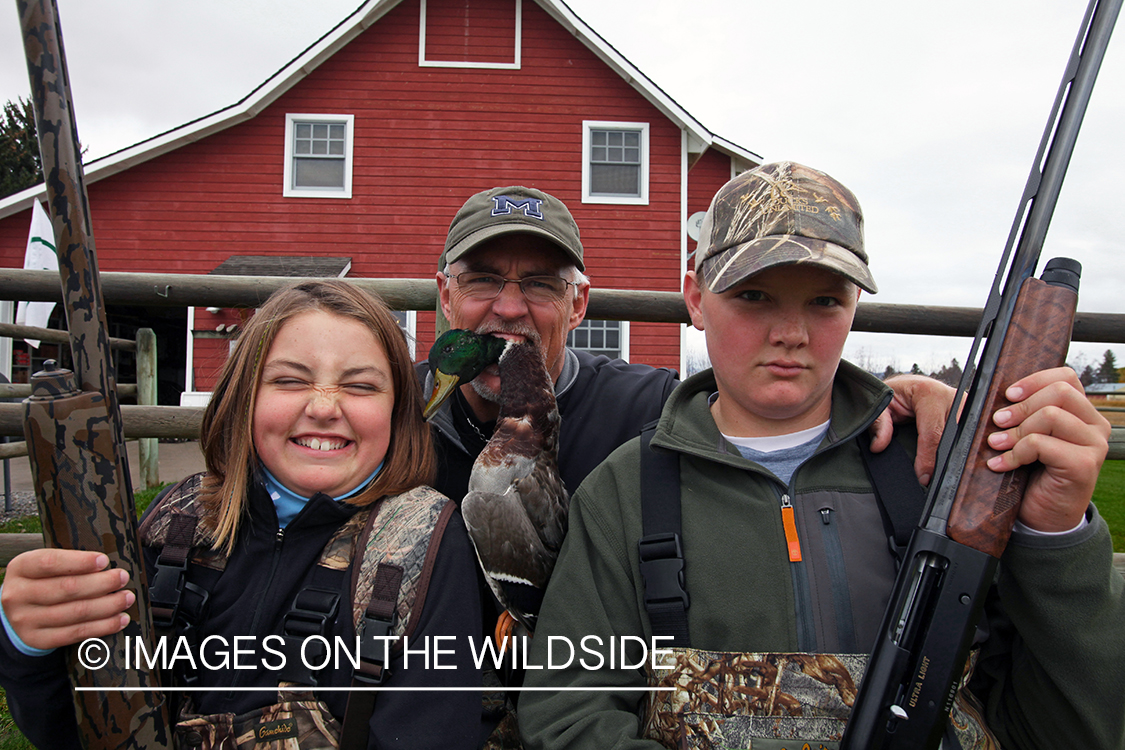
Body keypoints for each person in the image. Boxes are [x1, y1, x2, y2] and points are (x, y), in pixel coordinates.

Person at [517, 162, 1123, 749]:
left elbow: (1072, 728)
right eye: (753, 295)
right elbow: (569, 718)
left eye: (825, 301)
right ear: (696, 300)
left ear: (854, 303)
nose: (791, 332)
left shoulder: (944, 474)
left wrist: (1058, 536)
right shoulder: (625, 493)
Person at [0, 280, 484, 749]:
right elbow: (76, 726)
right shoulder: (175, 524)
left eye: (359, 386)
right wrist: (33, 645)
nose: (323, 407)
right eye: (289, 380)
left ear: (398, 410)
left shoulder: (427, 547)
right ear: (243, 395)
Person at [420, 185, 953, 509]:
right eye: (483, 280)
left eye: (540, 285)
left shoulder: (647, 409)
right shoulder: (392, 410)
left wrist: (890, 397)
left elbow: (756, 401)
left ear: (579, 305)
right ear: (445, 294)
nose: (510, 308)